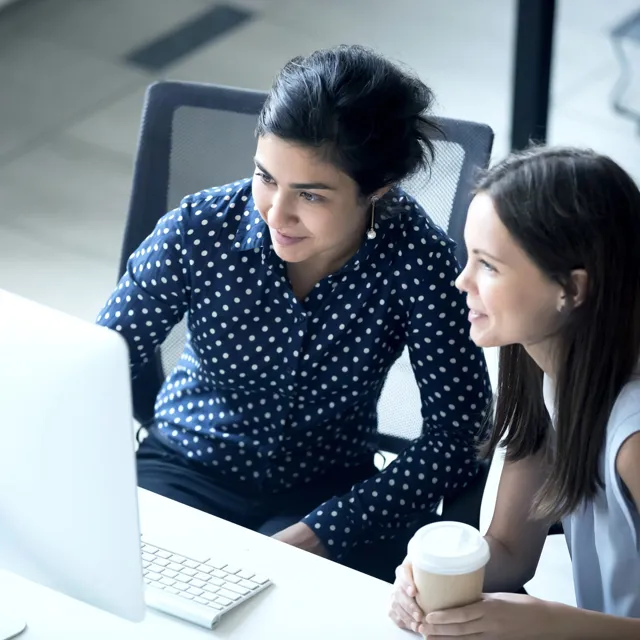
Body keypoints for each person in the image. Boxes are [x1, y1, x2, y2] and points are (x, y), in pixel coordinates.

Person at [97, 45, 491, 582]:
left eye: (310, 195)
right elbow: (95, 366)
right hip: (187, 466)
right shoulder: (199, 229)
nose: (276, 214)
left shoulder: (416, 258)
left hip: (329, 490)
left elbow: (460, 432)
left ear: (378, 189)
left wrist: (330, 528)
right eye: (266, 178)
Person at [389, 146, 640, 636]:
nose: (461, 281)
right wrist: (426, 580)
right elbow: (508, 554)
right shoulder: (542, 366)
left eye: (489, 266)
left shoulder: (633, 440)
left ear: (572, 289)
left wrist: (549, 622)